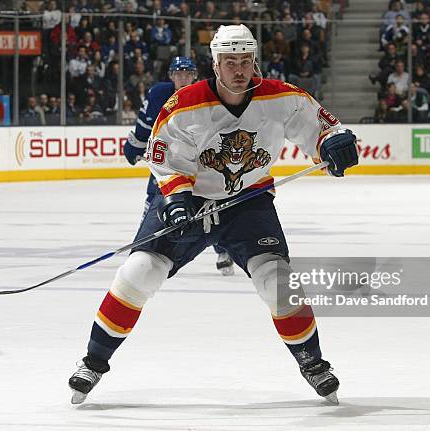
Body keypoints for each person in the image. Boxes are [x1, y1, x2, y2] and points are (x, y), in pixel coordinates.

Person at [68, 24, 358, 406]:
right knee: (139, 272)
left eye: (245, 61)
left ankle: (313, 363)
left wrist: (334, 144)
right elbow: (165, 161)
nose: (238, 70)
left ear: (254, 61)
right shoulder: (185, 104)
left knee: (278, 281)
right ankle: (93, 361)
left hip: (247, 203)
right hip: (191, 200)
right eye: (229, 61)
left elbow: (323, 129)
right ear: (215, 63)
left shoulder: (282, 97)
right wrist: (176, 199)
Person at [124, 56, 236, 276]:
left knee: (208, 206)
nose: (183, 78)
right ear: (171, 76)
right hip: (168, 160)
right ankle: (143, 247)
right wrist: (135, 145)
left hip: (201, 162)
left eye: (187, 74)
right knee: (154, 200)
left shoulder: (208, 94)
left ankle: (223, 251)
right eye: (178, 74)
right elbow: (146, 124)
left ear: (194, 76)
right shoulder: (158, 94)